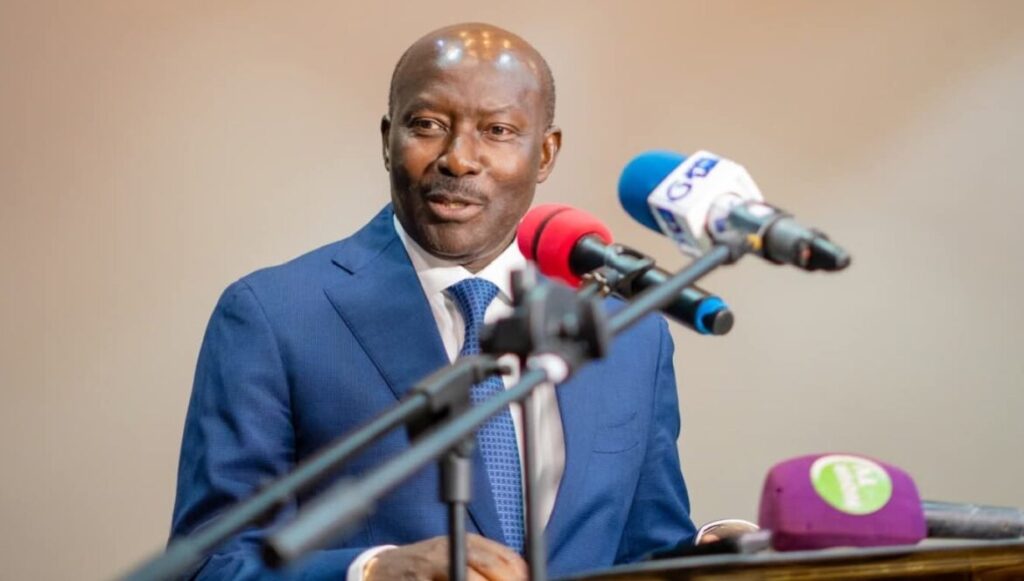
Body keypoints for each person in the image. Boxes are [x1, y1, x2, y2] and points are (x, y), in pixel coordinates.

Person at [171, 23, 696, 580]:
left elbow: (652, 549)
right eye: (428, 125)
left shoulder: (628, 331)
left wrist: (728, 550)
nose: (458, 159)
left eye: (497, 130)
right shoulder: (275, 317)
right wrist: (371, 571)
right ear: (387, 139)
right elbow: (209, 565)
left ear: (544, 154)